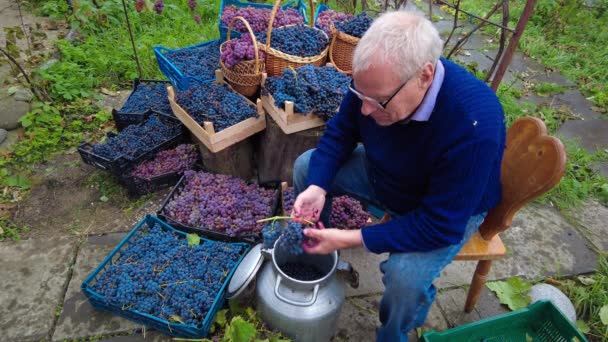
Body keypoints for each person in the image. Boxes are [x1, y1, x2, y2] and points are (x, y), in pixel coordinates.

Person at [291, 9, 506, 342]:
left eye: (378, 102)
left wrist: (353, 237)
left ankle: (393, 333)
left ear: (425, 75)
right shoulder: (375, 82)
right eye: (361, 96)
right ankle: (321, 253)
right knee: (307, 168)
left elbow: (438, 224)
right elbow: (341, 131)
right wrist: (318, 186)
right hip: (387, 175)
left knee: (404, 278)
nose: (365, 109)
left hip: (446, 208)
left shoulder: (475, 125)